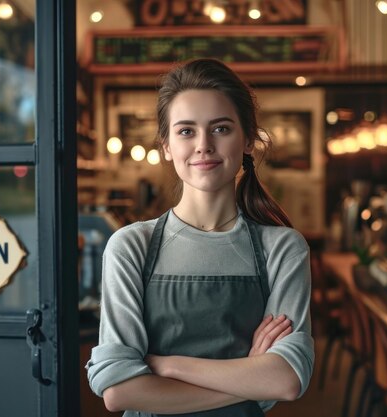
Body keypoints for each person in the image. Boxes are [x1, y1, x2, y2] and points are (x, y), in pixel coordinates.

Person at [86, 58, 314, 417]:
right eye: (186, 131)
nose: (204, 145)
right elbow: (119, 391)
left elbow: (285, 379)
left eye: (221, 129)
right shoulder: (131, 246)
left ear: (248, 140)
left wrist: (169, 366)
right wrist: (248, 381)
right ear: (166, 146)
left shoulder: (282, 249)